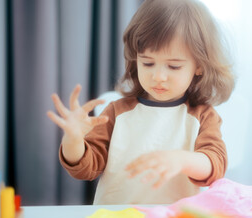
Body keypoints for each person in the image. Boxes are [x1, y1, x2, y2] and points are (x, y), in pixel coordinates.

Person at [47, 0, 234, 205]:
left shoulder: (202, 116)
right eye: (148, 63)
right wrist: (73, 140)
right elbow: (85, 168)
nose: (159, 76)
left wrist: (182, 160)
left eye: (173, 66)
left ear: (199, 66)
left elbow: (215, 164)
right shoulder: (116, 112)